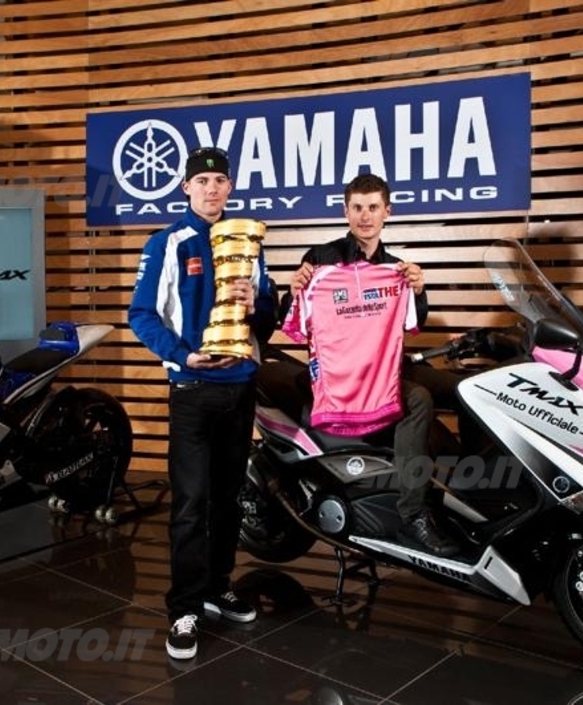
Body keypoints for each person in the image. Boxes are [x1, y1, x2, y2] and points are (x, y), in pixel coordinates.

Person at [128, 146, 277, 660]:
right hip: (192, 389)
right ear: (186, 187)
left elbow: (267, 319)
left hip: (240, 385)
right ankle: (185, 607)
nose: (212, 189)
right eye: (203, 181)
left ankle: (217, 586)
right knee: (191, 503)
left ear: (229, 187)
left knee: (229, 498)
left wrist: (259, 305)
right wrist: (182, 356)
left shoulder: (249, 243)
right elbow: (141, 314)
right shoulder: (167, 243)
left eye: (220, 180)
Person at [284, 172, 463, 557]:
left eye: (373, 207)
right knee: (418, 400)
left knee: (462, 388)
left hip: (386, 366)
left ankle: (477, 488)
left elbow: (414, 323)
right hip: (343, 374)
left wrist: (417, 290)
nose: (365, 216)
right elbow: (295, 317)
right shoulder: (320, 261)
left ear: (387, 211)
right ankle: (413, 514)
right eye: (358, 208)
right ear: (346, 212)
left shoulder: (396, 269)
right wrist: (294, 289)